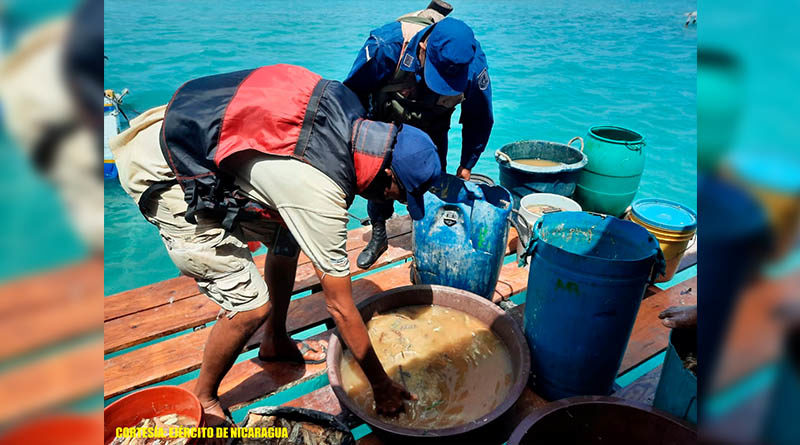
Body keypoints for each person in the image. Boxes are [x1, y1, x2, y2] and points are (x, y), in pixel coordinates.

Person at [110, 64, 439, 426]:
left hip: (192, 133)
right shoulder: (319, 192)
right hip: (165, 170)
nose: (392, 203)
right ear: (387, 173)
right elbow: (341, 307)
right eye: (398, 194)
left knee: (288, 234)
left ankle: (275, 341)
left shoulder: (352, 115)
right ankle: (203, 395)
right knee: (251, 306)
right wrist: (381, 386)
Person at [344, 6, 494, 269]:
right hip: (386, 124)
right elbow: (349, 97)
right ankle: (378, 234)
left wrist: (467, 164)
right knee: (379, 183)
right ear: (423, 48)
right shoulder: (385, 47)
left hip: (434, 123)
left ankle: (425, 240)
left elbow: (479, 117)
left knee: (432, 182)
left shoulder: (473, 63)